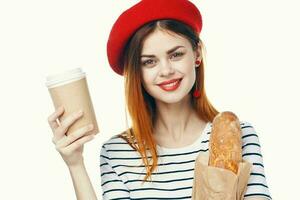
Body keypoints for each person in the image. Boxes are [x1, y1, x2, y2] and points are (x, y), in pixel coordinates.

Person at [47, 0, 272, 199]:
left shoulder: (236, 138)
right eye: (149, 62)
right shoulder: (117, 153)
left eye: (176, 55)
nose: (166, 70)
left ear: (196, 54)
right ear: (137, 72)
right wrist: (75, 165)